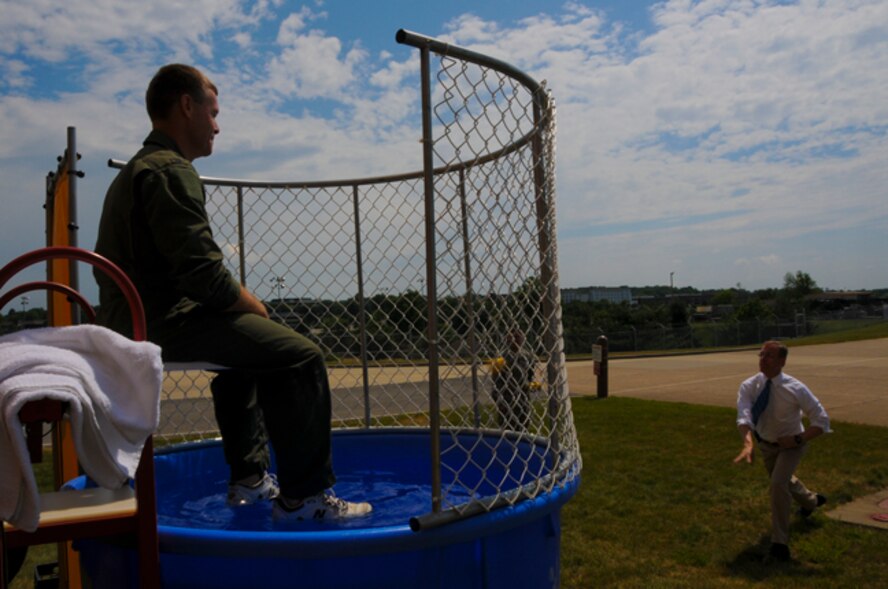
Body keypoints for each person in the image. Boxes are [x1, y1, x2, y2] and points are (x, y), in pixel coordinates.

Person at [94, 64, 371, 521]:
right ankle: (306, 499)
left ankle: (249, 481)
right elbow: (204, 278)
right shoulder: (169, 171)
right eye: (213, 112)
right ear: (187, 105)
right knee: (300, 355)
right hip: (155, 322)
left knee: (248, 350)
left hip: (133, 316)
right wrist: (257, 307)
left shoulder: (137, 171)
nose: (217, 126)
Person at [733, 340, 829, 561]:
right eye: (761, 355)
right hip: (766, 444)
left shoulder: (795, 388)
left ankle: (779, 544)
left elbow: (821, 420)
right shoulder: (749, 385)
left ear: (782, 361)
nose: (762, 359)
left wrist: (798, 439)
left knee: (777, 483)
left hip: (792, 446)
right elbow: (744, 416)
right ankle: (812, 502)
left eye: (769, 356)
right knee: (784, 481)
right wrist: (748, 443)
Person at [492, 329, 536, 430]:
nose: (516, 340)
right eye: (512, 337)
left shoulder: (528, 356)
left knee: (524, 426)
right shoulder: (501, 358)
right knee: (507, 428)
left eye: (518, 337)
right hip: (507, 398)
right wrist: (499, 401)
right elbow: (496, 382)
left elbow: (530, 376)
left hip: (523, 398)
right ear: (507, 339)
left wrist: (531, 386)